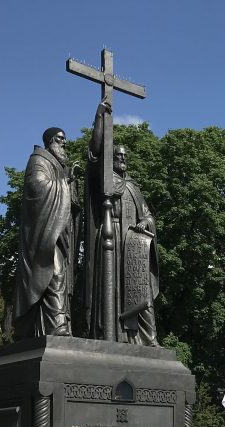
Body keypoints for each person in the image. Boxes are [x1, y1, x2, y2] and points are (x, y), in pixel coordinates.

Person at [82, 98, 160, 344]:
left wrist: (146, 224)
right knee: (111, 289)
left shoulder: (133, 187)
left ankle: (145, 338)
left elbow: (147, 214)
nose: (123, 160)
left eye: (125, 157)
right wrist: (100, 120)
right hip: (111, 238)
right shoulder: (104, 179)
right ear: (112, 158)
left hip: (133, 244)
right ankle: (111, 336)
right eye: (118, 156)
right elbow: (94, 155)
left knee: (141, 289)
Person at [13, 126, 77, 339]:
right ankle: (57, 326)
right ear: (49, 141)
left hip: (59, 234)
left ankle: (58, 324)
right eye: (60, 139)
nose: (64, 143)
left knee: (61, 277)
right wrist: (64, 181)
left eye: (64, 139)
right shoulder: (38, 160)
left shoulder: (57, 165)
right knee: (54, 274)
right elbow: (36, 187)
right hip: (44, 235)